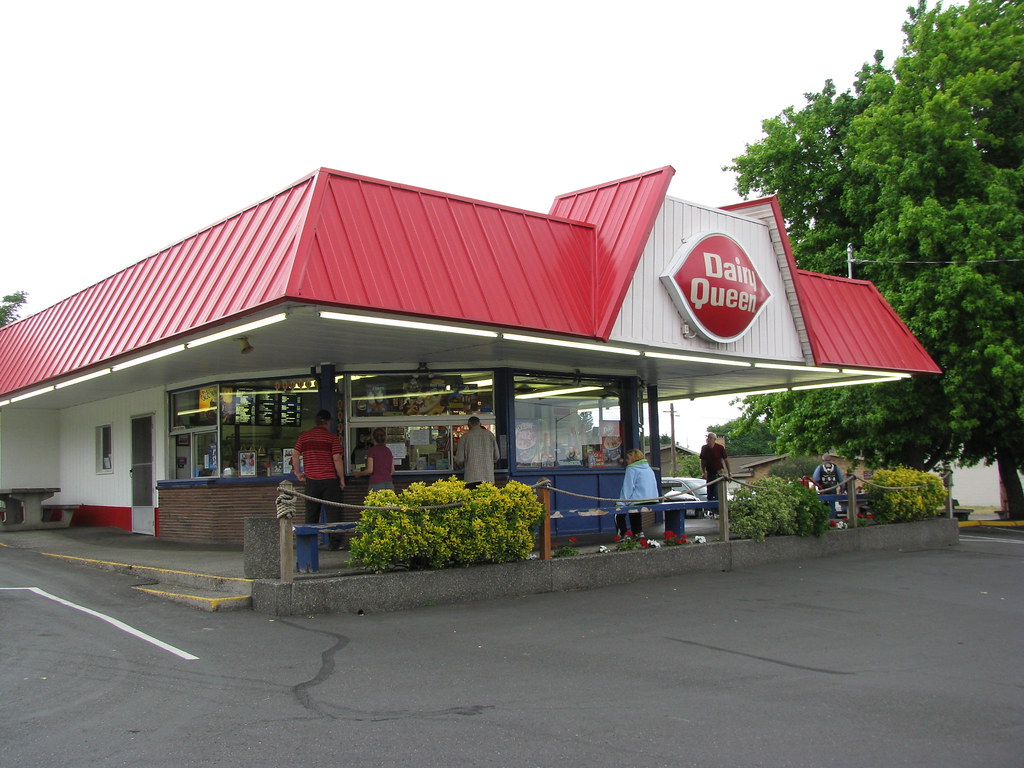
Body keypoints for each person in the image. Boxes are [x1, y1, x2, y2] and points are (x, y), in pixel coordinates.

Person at [291, 409, 346, 549]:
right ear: (327, 422)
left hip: (311, 480)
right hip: (329, 480)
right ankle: (335, 544)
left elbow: (295, 455)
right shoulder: (331, 438)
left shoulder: (304, 436)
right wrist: (341, 478)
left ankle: (310, 544)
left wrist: (298, 473)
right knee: (333, 513)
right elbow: (337, 459)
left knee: (311, 514)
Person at [617, 448, 659, 538]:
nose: (626, 461)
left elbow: (628, 487)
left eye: (628, 458)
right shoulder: (648, 468)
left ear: (633, 459)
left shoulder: (631, 469)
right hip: (653, 499)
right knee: (634, 509)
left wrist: (621, 502)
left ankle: (623, 534)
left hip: (639, 499)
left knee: (618, 511)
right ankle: (638, 533)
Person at [454, 415, 499, 489]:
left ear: (468, 426)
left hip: (471, 478)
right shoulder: (490, 435)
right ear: (480, 424)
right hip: (488, 477)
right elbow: (496, 456)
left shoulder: (465, 437)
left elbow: (460, 459)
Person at [355, 427, 395, 492]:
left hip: (376, 483)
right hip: (389, 483)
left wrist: (359, 474)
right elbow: (392, 470)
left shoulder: (372, 451)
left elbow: (370, 470)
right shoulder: (388, 451)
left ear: (373, 438)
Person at [699, 432, 731, 502]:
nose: (708, 439)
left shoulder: (720, 448)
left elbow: (726, 460)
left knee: (717, 492)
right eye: (707, 437)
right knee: (709, 494)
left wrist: (729, 473)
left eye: (710, 438)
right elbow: (702, 461)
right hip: (710, 473)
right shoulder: (704, 448)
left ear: (714, 439)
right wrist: (703, 472)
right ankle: (711, 507)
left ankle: (718, 507)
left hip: (719, 473)